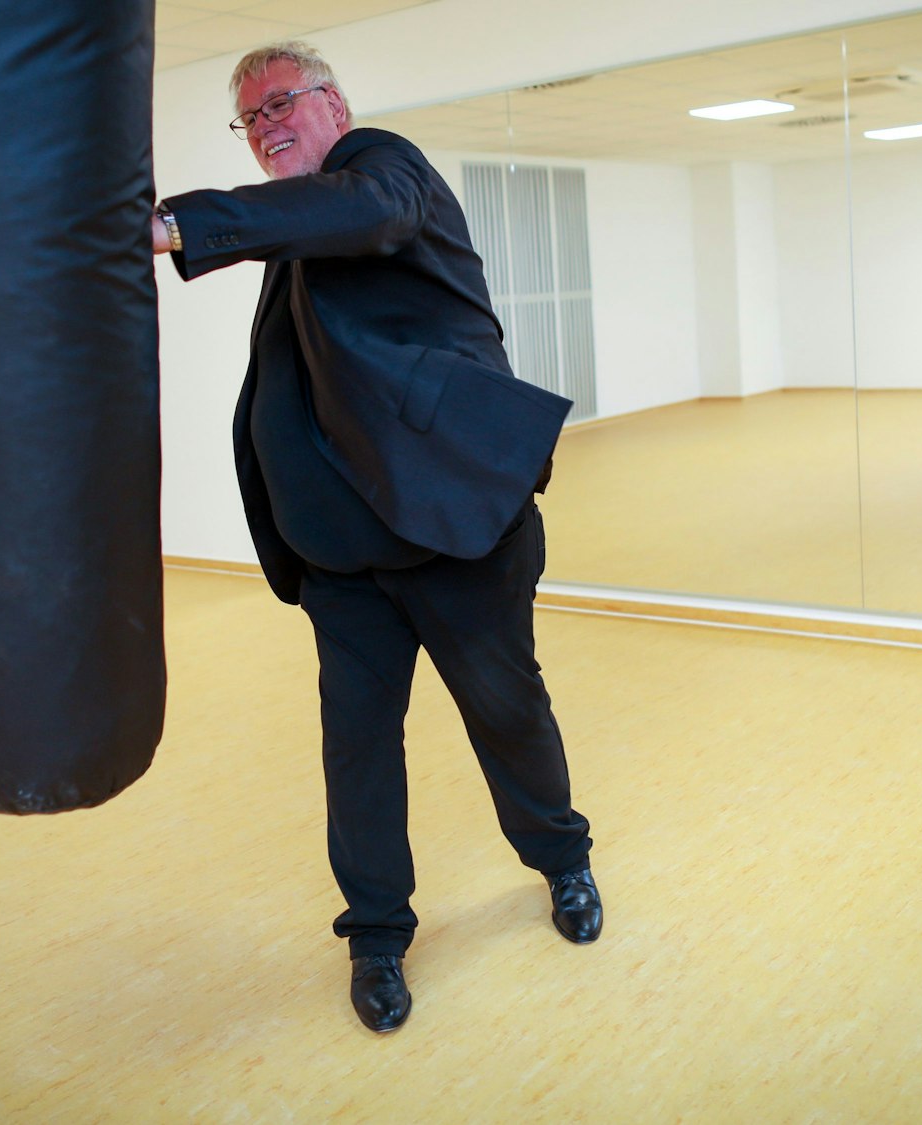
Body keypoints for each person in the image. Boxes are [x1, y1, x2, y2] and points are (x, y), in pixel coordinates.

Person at [149, 41, 600, 1034]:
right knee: (355, 749)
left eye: (279, 104)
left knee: (506, 714)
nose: (266, 125)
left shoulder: (382, 172)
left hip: (455, 539)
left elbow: (366, 210)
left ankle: (561, 862)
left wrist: (178, 224)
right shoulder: (305, 234)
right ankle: (377, 935)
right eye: (249, 118)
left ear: (334, 104)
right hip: (342, 565)